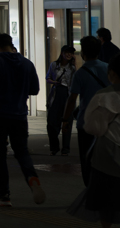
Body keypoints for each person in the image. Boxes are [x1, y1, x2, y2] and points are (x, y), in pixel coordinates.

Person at [0, 33, 44, 207]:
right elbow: (35, 89)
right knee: (22, 152)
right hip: (20, 116)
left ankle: (4, 195)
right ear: (11, 44)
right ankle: (32, 177)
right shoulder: (27, 64)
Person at [68, 54, 120, 227]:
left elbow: (93, 127)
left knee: (106, 199)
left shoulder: (103, 96)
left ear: (112, 73)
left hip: (108, 154)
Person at [64, 36, 111, 186]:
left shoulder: (81, 73)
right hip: (108, 121)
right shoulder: (109, 68)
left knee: (87, 159)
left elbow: (72, 99)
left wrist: (65, 120)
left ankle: (90, 191)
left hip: (87, 123)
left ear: (83, 53)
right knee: (106, 159)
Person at [46, 44, 77, 156]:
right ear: (62, 53)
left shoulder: (72, 68)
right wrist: (54, 82)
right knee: (52, 122)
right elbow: (48, 78)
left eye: (71, 53)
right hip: (56, 94)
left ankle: (66, 148)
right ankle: (54, 147)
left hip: (67, 95)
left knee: (67, 122)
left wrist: (75, 66)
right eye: (67, 52)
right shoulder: (54, 64)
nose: (69, 54)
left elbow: (74, 83)